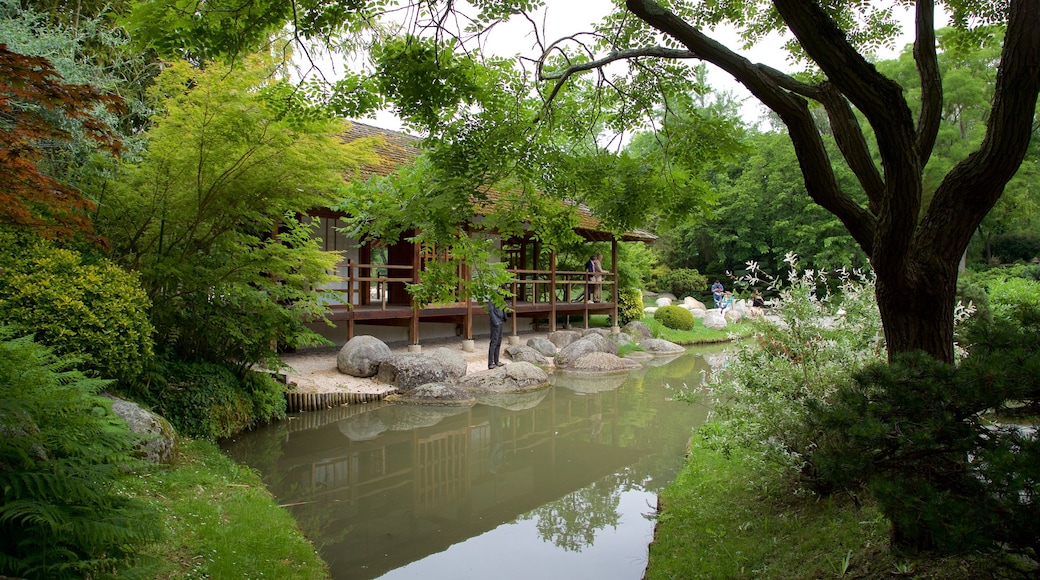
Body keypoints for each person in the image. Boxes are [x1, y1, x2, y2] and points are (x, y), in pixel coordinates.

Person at [487, 299, 507, 369]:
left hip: (501, 321)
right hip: (496, 323)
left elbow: (503, 309)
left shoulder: (501, 298)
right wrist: (495, 322)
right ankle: (490, 363)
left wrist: (505, 317)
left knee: (499, 342)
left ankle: (496, 361)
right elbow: (491, 311)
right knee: (494, 342)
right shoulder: (492, 299)